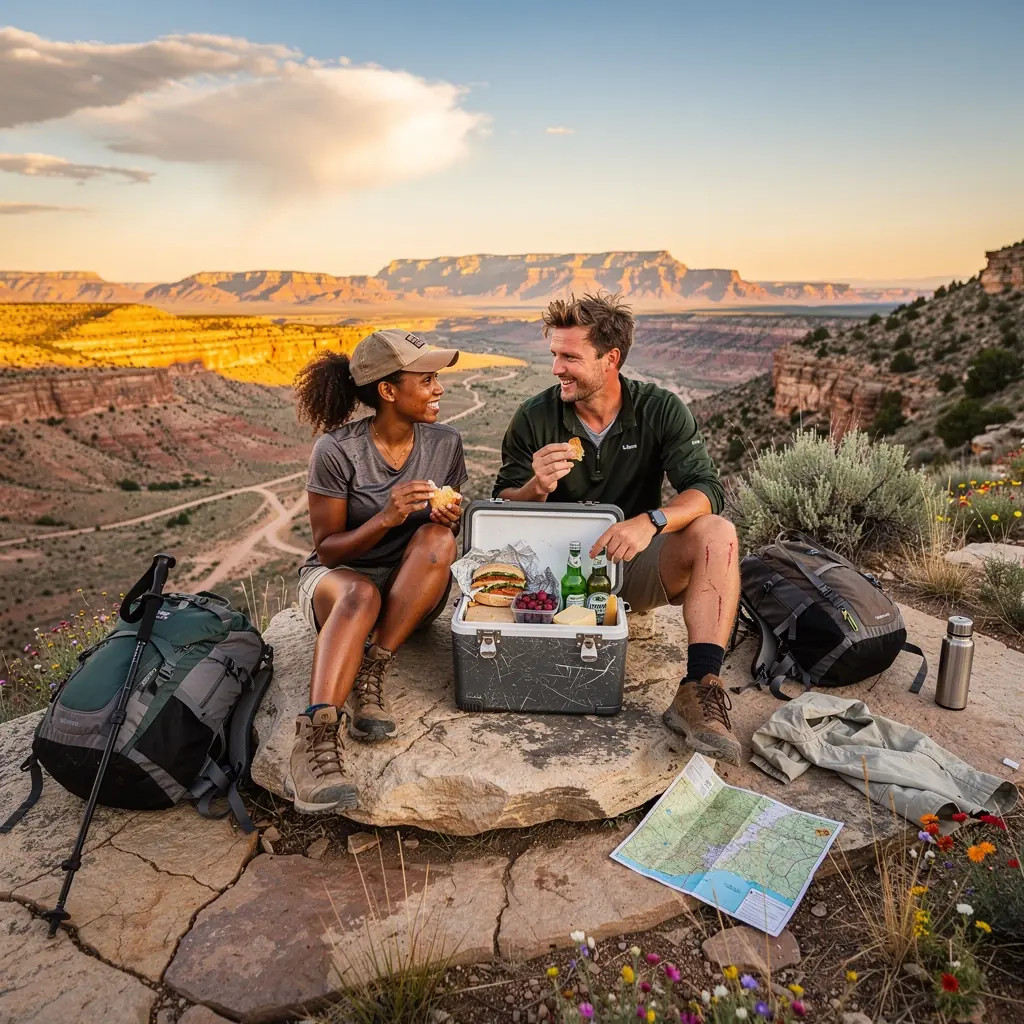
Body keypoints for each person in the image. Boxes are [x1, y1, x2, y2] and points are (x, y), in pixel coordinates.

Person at [493, 293, 743, 765]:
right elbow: (503, 504)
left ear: (611, 359)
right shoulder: (534, 417)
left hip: (633, 566)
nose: (556, 368)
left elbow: (707, 488)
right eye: (553, 354)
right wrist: (535, 488)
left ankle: (699, 689)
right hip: (554, 579)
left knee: (718, 533)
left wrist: (651, 522)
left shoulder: (660, 408)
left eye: (570, 357)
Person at [289, 330, 466, 813]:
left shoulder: (445, 443)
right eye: (427, 379)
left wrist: (445, 519)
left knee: (438, 541)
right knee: (360, 595)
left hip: (409, 592)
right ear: (388, 391)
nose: (438, 388)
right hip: (340, 583)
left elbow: (440, 532)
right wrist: (385, 517)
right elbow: (327, 550)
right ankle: (315, 739)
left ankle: (374, 666)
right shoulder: (337, 451)